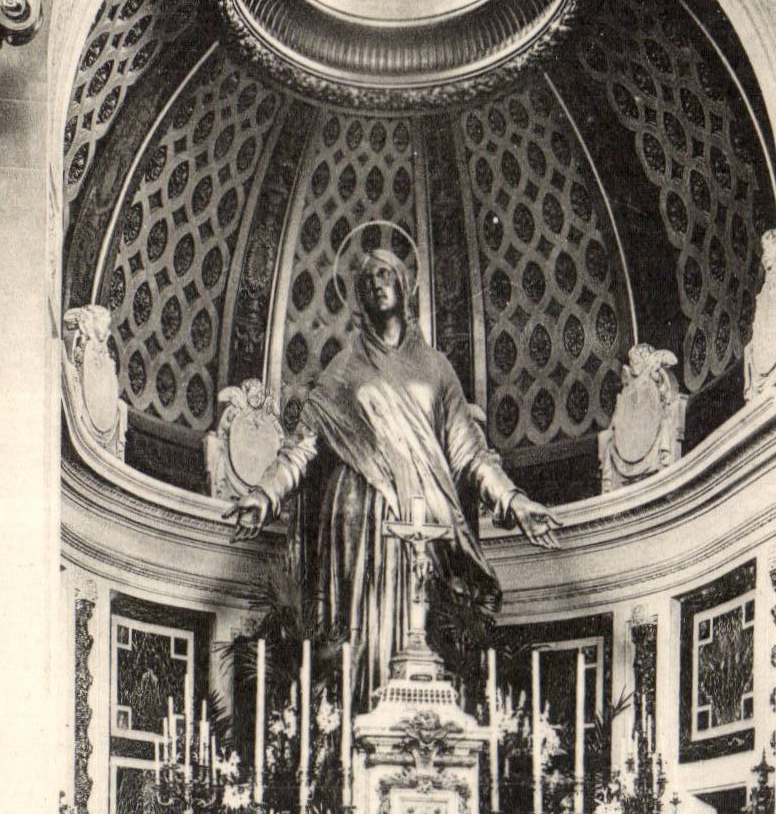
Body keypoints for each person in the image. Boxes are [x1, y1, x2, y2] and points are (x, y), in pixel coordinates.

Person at [223, 247, 558, 705]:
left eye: (385, 275)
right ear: (359, 297)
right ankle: (356, 716)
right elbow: (302, 445)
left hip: (420, 518)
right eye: (366, 281)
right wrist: (264, 495)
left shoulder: (437, 370)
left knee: (415, 622)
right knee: (360, 626)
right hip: (357, 517)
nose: (376, 285)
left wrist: (515, 502)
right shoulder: (343, 369)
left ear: (405, 284)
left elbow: (470, 452)